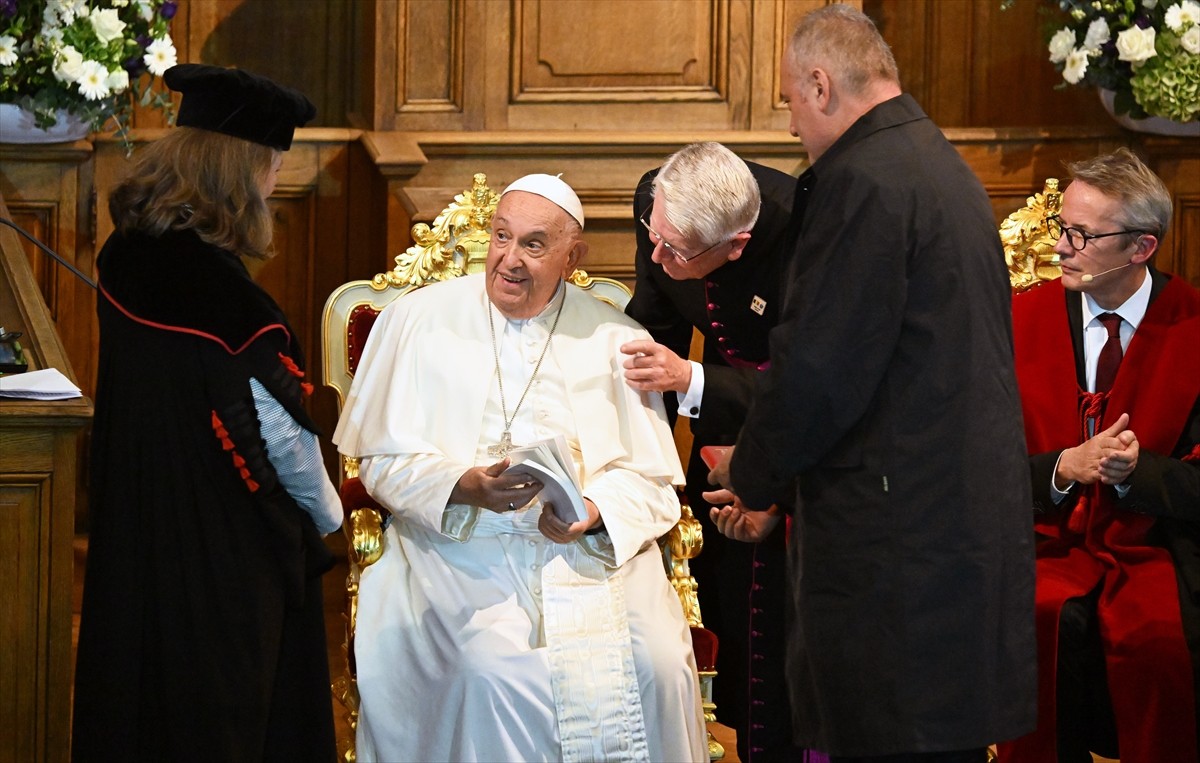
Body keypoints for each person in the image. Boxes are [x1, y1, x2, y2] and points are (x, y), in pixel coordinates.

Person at [704, 5, 1037, 761]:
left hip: (895, 547)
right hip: (948, 527)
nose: (790, 124)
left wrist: (752, 474)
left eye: (789, 99)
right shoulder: (937, 164)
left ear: (821, 85)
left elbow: (820, 370)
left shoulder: (862, 183)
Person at [333, 173, 707, 762]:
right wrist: (463, 485)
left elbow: (653, 482)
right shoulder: (416, 321)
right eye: (500, 237)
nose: (507, 260)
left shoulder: (617, 336)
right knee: (489, 672)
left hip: (588, 554)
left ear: (571, 255)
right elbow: (379, 464)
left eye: (533, 245)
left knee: (656, 663)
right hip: (458, 546)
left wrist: (593, 510)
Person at [72, 64, 341, 762]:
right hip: (218, 557)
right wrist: (330, 515)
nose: (277, 180)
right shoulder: (233, 306)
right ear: (240, 169)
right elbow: (288, 452)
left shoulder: (123, 255)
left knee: (137, 703)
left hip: (134, 524)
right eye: (274, 163)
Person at [997, 149, 1200, 763]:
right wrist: (1063, 468)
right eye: (1063, 227)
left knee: (1162, 639)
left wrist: (1137, 473)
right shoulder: (1015, 321)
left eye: (1082, 235)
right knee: (1035, 616)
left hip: (1163, 544)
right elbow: (969, 463)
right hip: (1036, 536)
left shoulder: (1194, 329)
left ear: (1141, 248)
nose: (1060, 247)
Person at [622, 140, 799, 761]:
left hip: (799, 443)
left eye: (676, 250)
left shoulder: (805, 230)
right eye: (654, 234)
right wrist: (642, 474)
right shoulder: (661, 207)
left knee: (779, 640)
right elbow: (652, 332)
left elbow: (809, 379)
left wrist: (693, 382)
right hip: (717, 428)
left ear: (737, 246)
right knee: (725, 602)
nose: (655, 254)